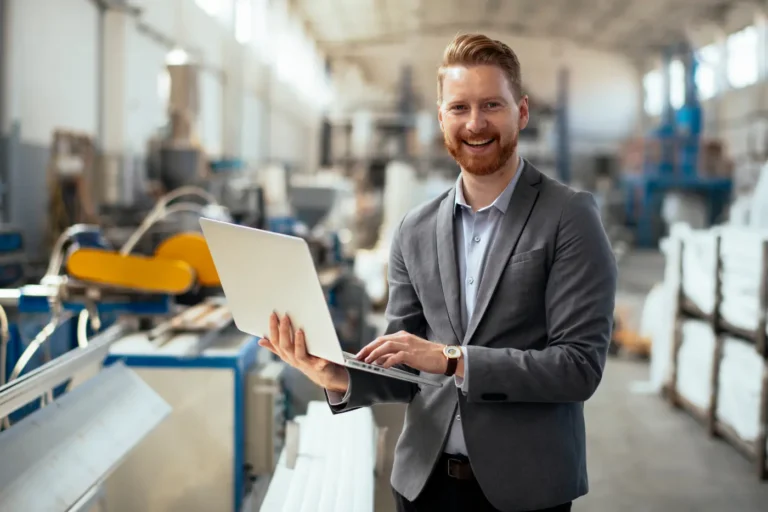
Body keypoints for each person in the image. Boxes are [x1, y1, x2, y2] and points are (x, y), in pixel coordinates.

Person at [258, 32, 617, 512]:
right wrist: (336, 374)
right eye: (459, 108)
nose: (475, 123)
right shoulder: (414, 228)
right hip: (423, 486)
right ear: (440, 118)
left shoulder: (569, 216)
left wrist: (454, 358)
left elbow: (578, 368)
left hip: (525, 490)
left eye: (491, 104)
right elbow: (404, 362)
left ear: (522, 112)